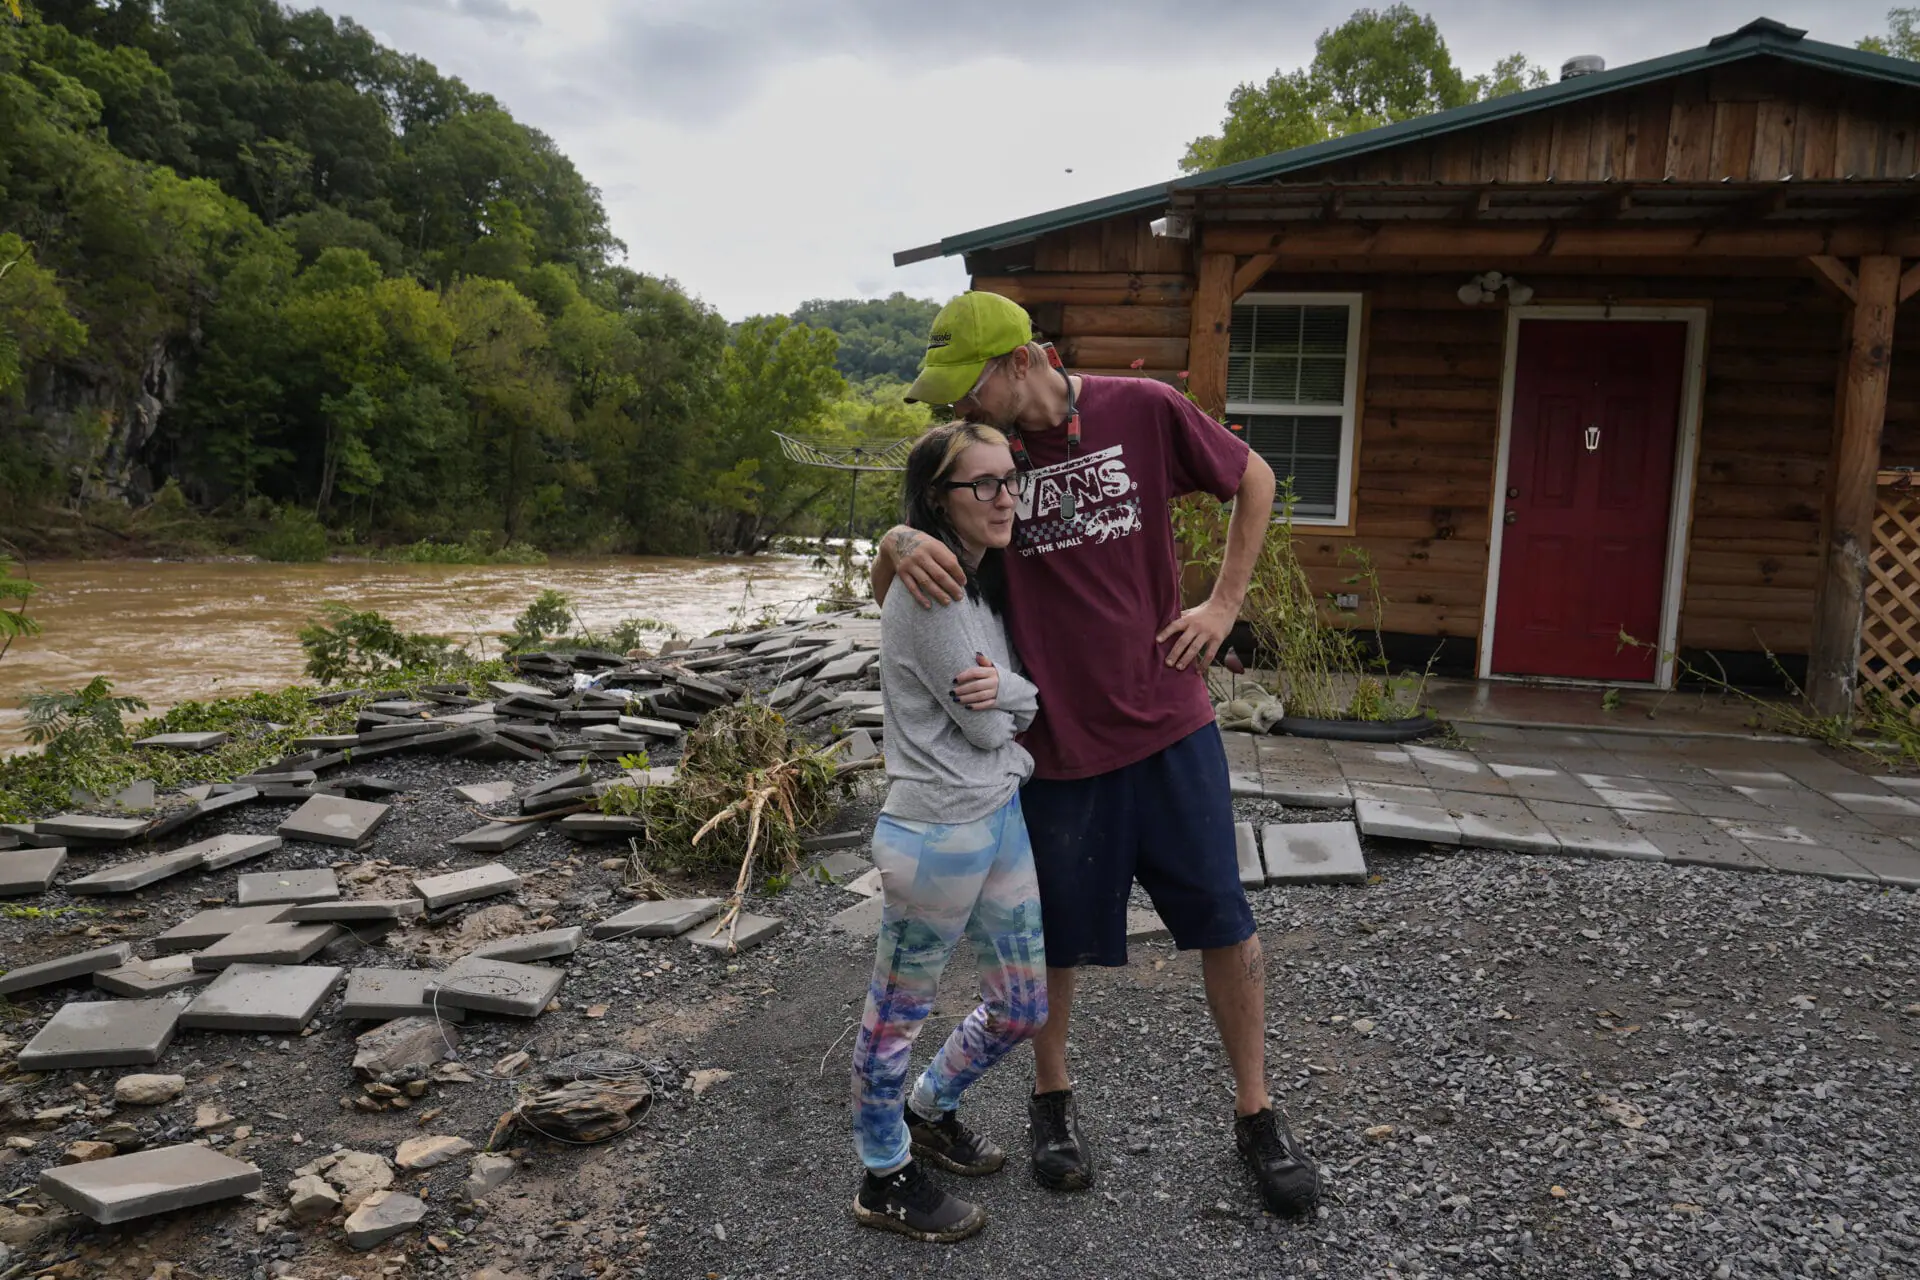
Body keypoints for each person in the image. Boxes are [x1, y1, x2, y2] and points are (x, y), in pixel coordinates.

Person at [870, 291, 1321, 1217]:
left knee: (1224, 920)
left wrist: (1225, 604)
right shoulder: (984, 464)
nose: (961, 409)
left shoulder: (1141, 408)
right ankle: (1053, 1105)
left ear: (1025, 361)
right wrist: (897, 534)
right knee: (1059, 941)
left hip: (1170, 722)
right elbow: (896, 563)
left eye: (971, 387)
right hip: (1056, 742)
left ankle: (1257, 1113)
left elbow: (1256, 477)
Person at [849, 420, 1049, 1243]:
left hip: (997, 815)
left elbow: (1001, 706)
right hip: (935, 830)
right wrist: (1023, 698)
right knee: (895, 1013)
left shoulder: (978, 579)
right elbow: (988, 726)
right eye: (983, 485)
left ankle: (931, 1108)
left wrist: (1010, 693)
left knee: (1024, 1004)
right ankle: (883, 1172)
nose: (1005, 498)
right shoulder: (930, 590)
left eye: (1012, 479)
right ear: (939, 498)